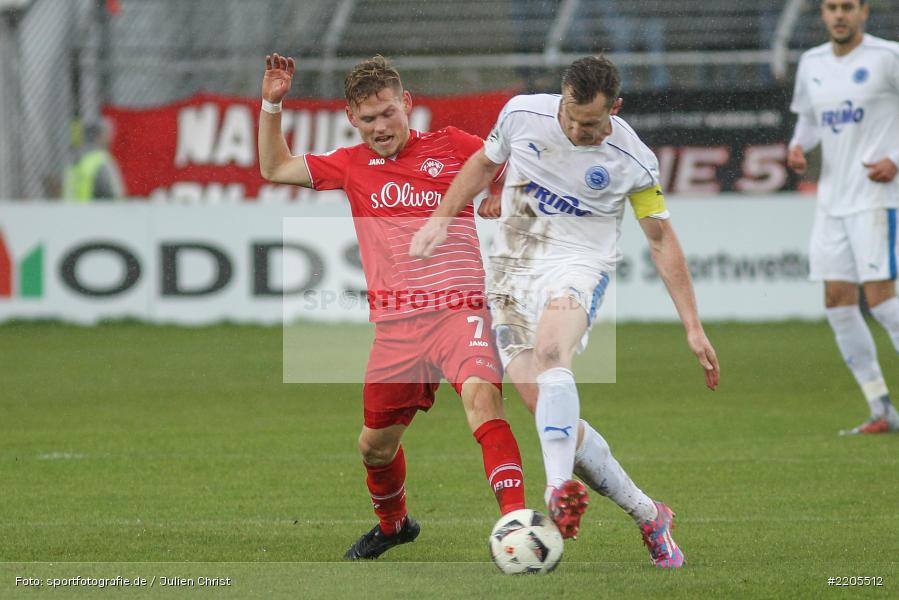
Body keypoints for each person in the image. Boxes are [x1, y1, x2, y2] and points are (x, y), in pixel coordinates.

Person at [411, 56, 720, 569]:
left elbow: (661, 240)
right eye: (572, 119)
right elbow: (484, 164)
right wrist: (441, 219)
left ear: (615, 108)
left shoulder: (634, 160)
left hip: (579, 267)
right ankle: (649, 514)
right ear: (561, 100)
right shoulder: (521, 115)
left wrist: (693, 326)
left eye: (591, 124)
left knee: (553, 352)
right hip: (511, 272)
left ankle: (557, 491)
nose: (578, 131)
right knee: (553, 417)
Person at [258, 54, 528, 560]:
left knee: (482, 401)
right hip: (397, 328)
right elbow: (274, 167)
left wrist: (502, 196)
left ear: (407, 104)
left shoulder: (453, 146)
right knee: (374, 447)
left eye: (388, 113)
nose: (381, 127)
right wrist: (272, 104)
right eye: (368, 119)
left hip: (460, 309)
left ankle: (517, 525)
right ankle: (394, 525)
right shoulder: (350, 164)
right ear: (350, 118)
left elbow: (520, 171)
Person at [787, 0, 899, 435]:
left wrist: (895, 159)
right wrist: (798, 147)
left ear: (864, 12)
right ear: (822, 13)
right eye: (832, 7)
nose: (839, 15)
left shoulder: (887, 57)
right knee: (837, 301)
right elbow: (809, 121)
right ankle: (881, 408)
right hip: (832, 200)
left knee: (884, 302)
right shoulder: (811, 63)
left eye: (847, 7)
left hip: (876, 196)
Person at [62, 118, 126, 201]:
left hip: (72, 208)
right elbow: (113, 194)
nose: (111, 138)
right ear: (101, 136)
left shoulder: (74, 161)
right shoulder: (101, 160)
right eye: (107, 134)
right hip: (97, 208)